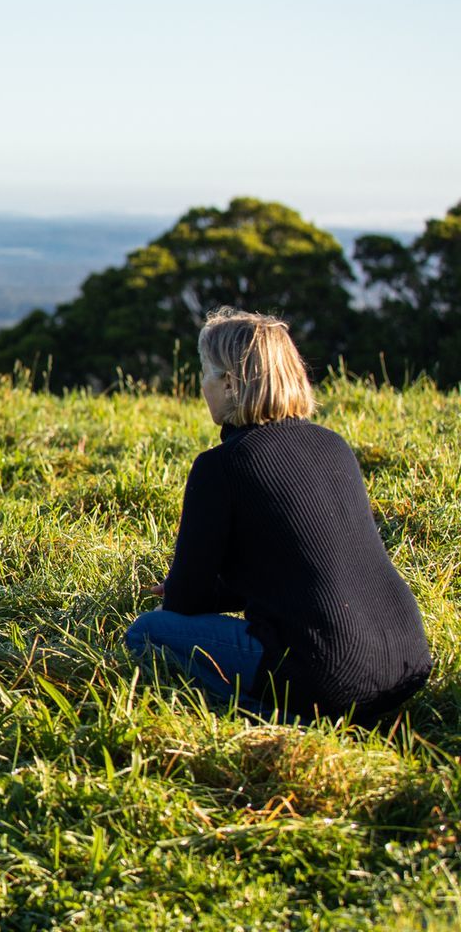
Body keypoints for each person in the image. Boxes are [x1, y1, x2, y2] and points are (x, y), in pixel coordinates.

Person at [126, 307, 430, 724]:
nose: (201, 386)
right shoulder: (333, 446)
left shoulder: (222, 467)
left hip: (328, 675)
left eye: (205, 373)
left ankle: (278, 721)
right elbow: (303, 567)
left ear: (230, 384)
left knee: (148, 633)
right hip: (406, 661)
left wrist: (182, 593)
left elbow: (187, 600)